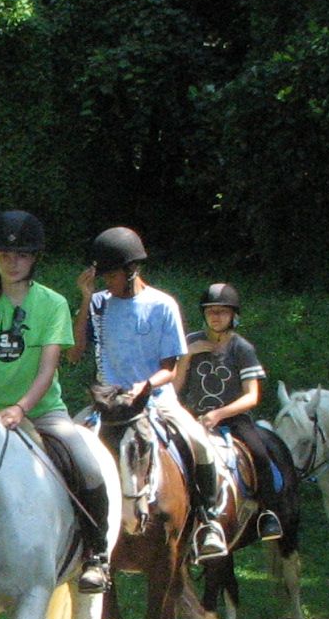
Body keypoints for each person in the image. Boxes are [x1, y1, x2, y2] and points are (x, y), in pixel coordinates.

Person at [0, 210, 113, 592]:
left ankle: (97, 555)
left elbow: (48, 370)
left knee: (88, 466)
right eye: (5, 254)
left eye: (22, 255)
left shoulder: (53, 303)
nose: (13, 262)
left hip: (43, 413)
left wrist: (21, 408)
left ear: (34, 258)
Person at [72, 227, 231, 560]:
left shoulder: (162, 305)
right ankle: (77, 530)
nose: (106, 283)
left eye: (110, 275)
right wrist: (86, 299)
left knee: (200, 443)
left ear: (131, 270)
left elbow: (170, 368)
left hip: (154, 399)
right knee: (69, 447)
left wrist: (144, 385)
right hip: (109, 404)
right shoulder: (100, 304)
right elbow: (75, 353)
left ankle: (208, 520)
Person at [181, 282, 280, 539]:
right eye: (211, 311)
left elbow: (252, 396)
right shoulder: (190, 342)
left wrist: (219, 415)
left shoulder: (241, 348)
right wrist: (187, 356)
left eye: (222, 311)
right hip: (194, 417)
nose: (216, 316)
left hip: (233, 418)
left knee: (259, 453)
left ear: (233, 315)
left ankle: (268, 513)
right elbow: (175, 386)